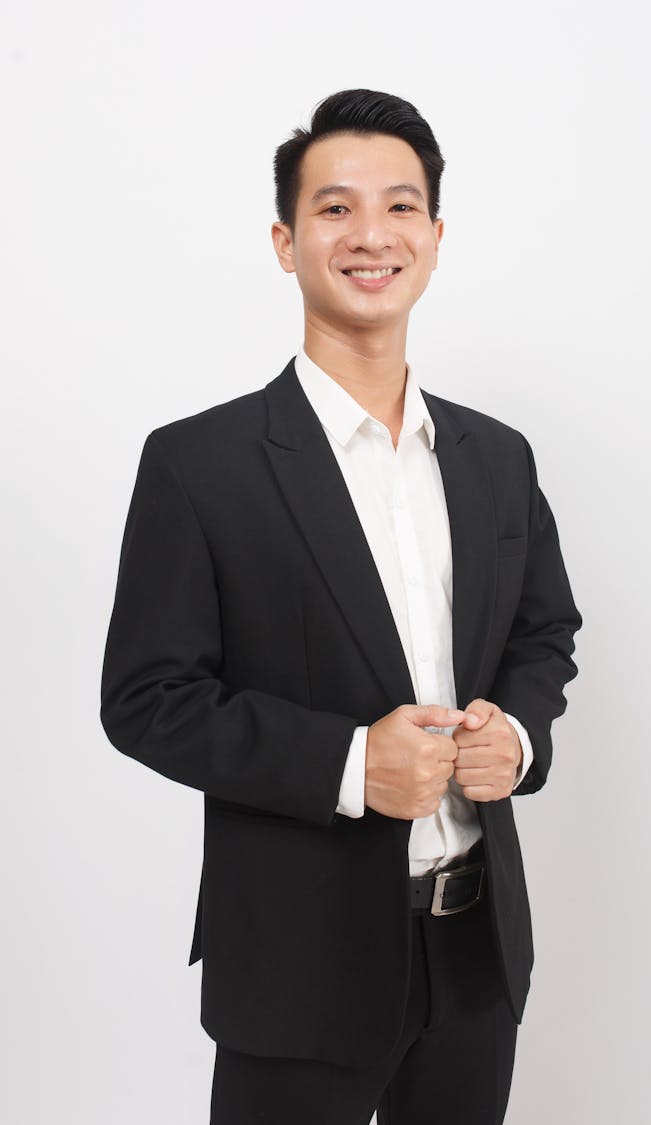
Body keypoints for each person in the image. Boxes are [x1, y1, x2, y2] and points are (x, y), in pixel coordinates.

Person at [101, 88, 582, 1125]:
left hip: (475, 953)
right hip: (294, 962)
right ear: (286, 240)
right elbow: (147, 699)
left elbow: (545, 633)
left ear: (437, 237)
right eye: (335, 208)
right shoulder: (199, 465)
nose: (372, 235)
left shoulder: (497, 457)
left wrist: (521, 736)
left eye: (401, 207)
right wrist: (354, 765)